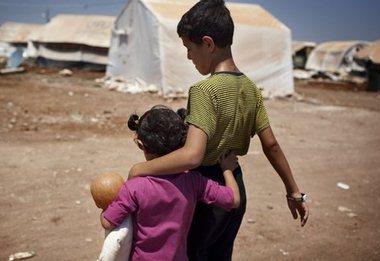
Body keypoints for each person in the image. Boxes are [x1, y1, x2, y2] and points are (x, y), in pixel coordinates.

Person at [128, 1, 309, 260]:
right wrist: (294, 192)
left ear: (208, 44)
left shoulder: (204, 91)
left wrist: (139, 169)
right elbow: (272, 145)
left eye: (189, 49)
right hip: (235, 186)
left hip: (206, 193)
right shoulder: (250, 89)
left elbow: (192, 156)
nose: (189, 56)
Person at [100, 106, 241, 260]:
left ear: (141, 144)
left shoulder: (134, 187)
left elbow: (108, 222)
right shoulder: (193, 181)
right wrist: (227, 169)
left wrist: (105, 205)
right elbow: (233, 199)